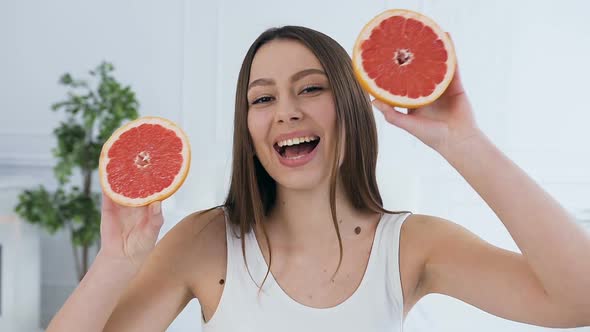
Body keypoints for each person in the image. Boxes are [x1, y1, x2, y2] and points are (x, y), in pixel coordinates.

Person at [46, 26, 590, 332]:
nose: (285, 111)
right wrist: (116, 259)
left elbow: (578, 300)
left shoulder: (414, 246)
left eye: (310, 89)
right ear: (248, 127)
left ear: (350, 108)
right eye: (262, 98)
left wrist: (466, 144)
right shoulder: (205, 242)